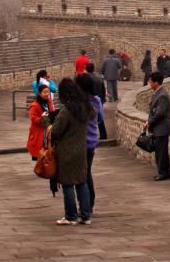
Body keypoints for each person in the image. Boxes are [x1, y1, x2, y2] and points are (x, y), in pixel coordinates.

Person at [50, 78, 94, 225]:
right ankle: (86, 215)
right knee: (81, 182)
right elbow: (94, 116)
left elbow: (56, 132)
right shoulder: (85, 107)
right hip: (81, 149)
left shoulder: (66, 111)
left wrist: (50, 127)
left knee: (68, 184)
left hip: (66, 151)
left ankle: (70, 216)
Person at [75, 74, 104, 212]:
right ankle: (89, 203)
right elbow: (100, 118)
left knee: (81, 175)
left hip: (80, 143)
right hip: (92, 141)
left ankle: (85, 206)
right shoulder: (96, 100)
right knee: (87, 173)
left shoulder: (77, 102)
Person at [145, 72, 170, 180]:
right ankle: (162, 172)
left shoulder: (162, 95)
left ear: (156, 82)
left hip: (161, 128)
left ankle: (163, 173)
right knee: (159, 151)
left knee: (161, 152)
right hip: (158, 128)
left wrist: (150, 122)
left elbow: (160, 113)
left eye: (150, 81)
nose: (149, 83)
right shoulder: (157, 93)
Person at [27, 83, 51, 160]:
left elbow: (52, 111)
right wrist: (42, 119)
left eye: (48, 92)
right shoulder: (35, 105)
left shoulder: (49, 102)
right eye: (45, 92)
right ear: (40, 93)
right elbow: (33, 118)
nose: (47, 94)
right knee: (39, 156)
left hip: (47, 132)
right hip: (38, 133)